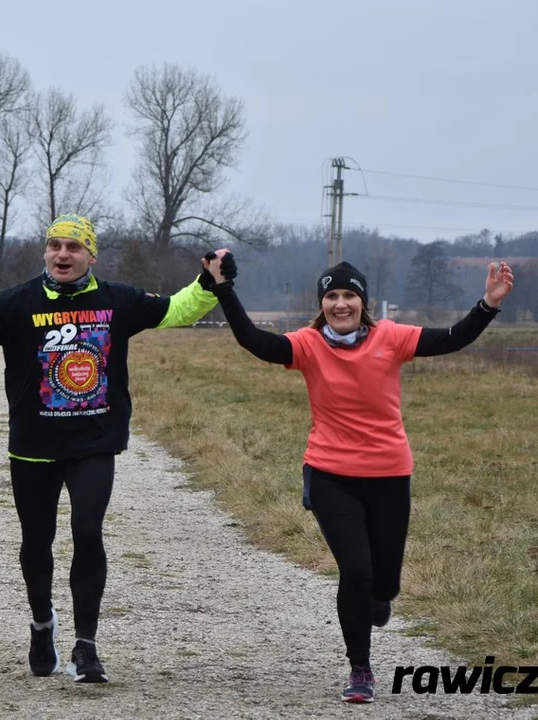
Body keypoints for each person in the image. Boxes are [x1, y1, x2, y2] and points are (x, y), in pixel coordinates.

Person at [0, 214, 225, 684]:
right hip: (34, 445)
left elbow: (176, 310)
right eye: (55, 245)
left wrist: (208, 282)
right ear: (45, 253)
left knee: (87, 530)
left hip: (95, 442)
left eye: (74, 248)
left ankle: (87, 647)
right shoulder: (16, 303)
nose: (62, 254)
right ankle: (42, 625)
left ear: (91, 256)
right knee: (36, 545)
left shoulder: (118, 301)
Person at [203, 252, 513, 704]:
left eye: (349, 295)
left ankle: (380, 597)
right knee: (357, 571)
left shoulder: (391, 337)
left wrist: (488, 303)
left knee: (384, 583)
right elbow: (255, 341)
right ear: (322, 303)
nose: (340, 303)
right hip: (331, 476)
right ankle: (360, 669)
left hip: (389, 474)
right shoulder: (308, 345)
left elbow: (451, 339)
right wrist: (223, 289)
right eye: (332, 295)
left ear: (363, 302)